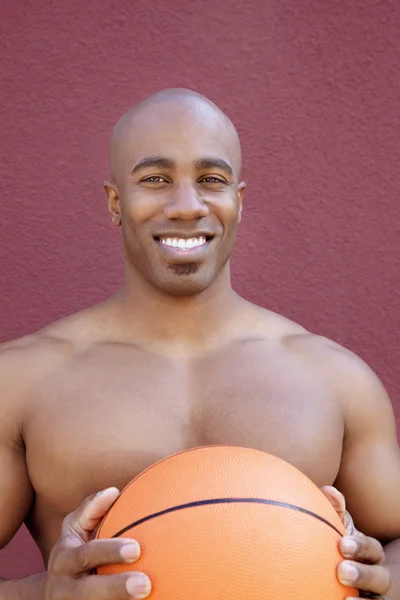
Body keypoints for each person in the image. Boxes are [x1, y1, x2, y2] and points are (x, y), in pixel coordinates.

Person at [0, 88, 399, 600]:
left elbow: (394, 543)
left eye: (211, 180)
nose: (187, 206)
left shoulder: (335, 378)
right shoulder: (22, 381)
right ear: (115, 202)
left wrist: (382, 586)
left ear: (238, 200)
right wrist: (42, 594)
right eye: (155, 180)